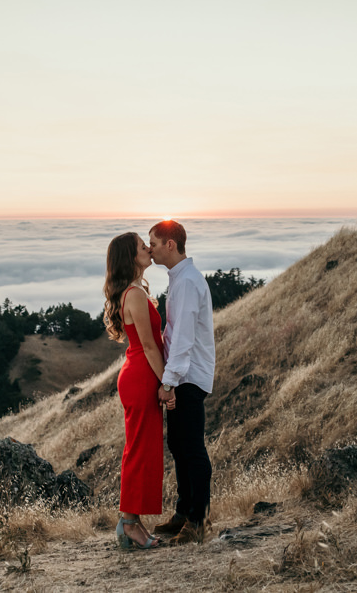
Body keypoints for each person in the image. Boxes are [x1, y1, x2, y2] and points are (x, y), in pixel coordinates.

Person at [103, 231, 176, 549]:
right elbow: (148, 345)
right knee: (138, 452)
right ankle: (129, 524)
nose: (148, 249)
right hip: (141, 376)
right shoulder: (133, 294)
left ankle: (133, 523)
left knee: (142, 451)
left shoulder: (134, 291)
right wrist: (167, 383)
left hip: (139, 374)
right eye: (142, 247)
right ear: (130, 257)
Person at [150, 220, 216, 545]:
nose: (150, 249)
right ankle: (183, 512)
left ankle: (199, 522)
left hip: (189, 375)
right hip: (184, 375)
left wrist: (169, 381)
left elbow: (184, 339)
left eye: (154, 243)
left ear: (170, 245)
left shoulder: (188, 282)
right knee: (179, 444)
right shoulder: (180, 279)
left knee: (191, 448)